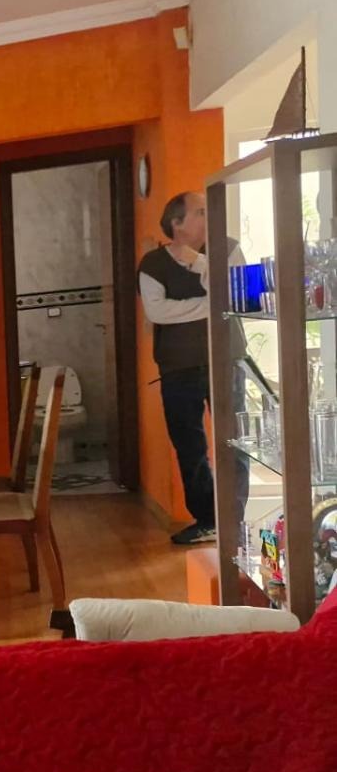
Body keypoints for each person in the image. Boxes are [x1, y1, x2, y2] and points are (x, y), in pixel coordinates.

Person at [138, 191, 247, 545]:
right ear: (177, 223)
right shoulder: (152, 264)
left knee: (236, 443)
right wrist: (212, 305)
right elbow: (157, 312)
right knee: (190, 448)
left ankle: (233, 523)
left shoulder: (228, 249)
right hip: (177, 368)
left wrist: (200, 264)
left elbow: (240, 297)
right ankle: (207, 521)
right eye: (200, 211)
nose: (209, 214)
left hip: (226, 361)